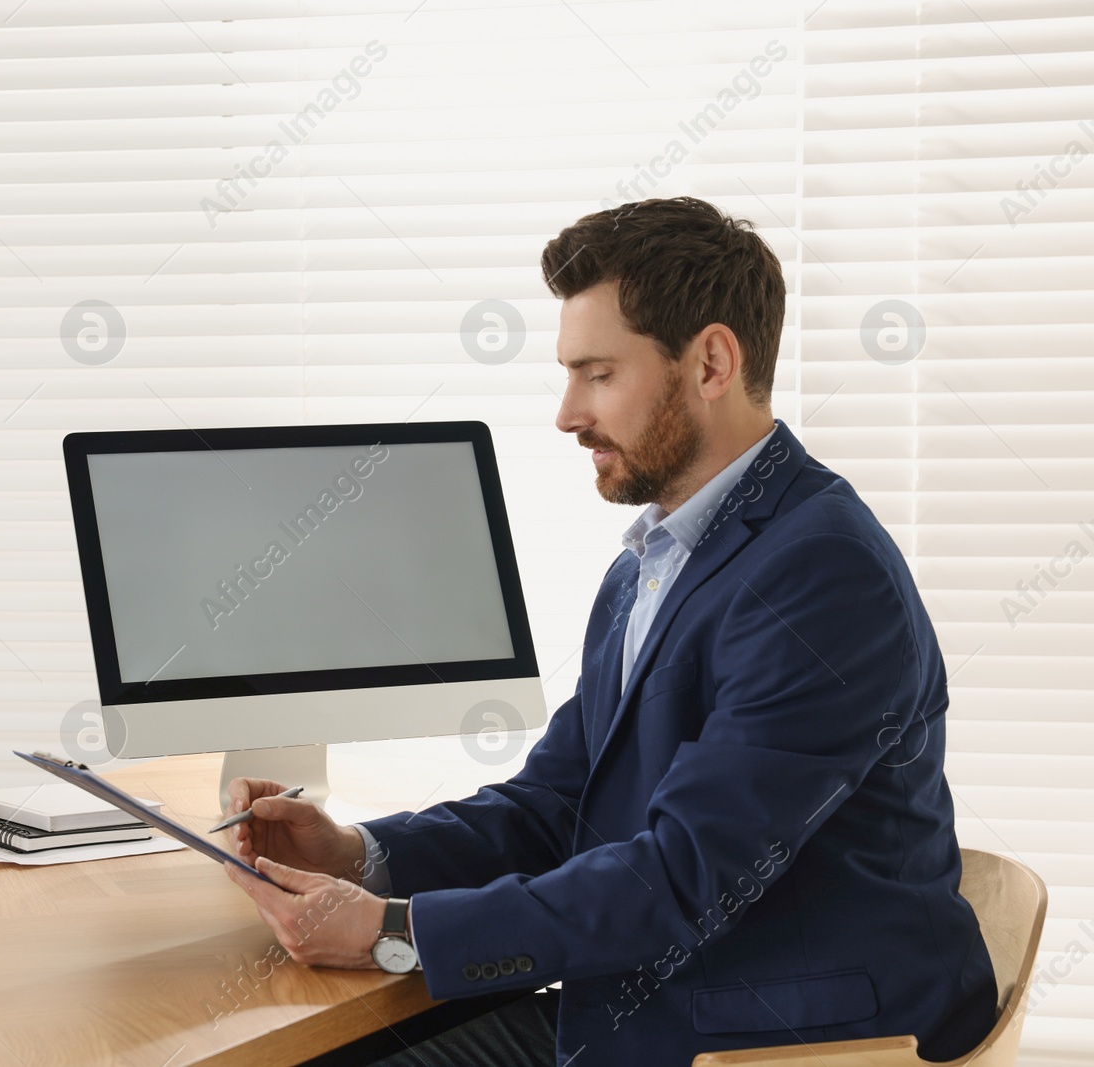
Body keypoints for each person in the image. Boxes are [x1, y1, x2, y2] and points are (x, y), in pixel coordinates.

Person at [221, 197, 999, 1065]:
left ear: (711, 361)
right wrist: (364, 854)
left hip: (777, 1044)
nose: (566, 413)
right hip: (654, 1006)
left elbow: (682, 877)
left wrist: (390, 931)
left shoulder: (822, 575)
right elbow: (559, 803)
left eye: (598, 374)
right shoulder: (653, 559)